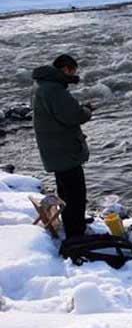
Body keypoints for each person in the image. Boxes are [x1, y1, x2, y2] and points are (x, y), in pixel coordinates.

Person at [32, 54, 93, 239]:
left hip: (54, 148)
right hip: (65, 150)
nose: (74, 75)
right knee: (76, 194)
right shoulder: (54, 89)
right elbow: (73, 116)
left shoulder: (41, 86)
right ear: (66, 69)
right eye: (73, 71)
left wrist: (77, 108)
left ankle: (73, 222)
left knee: (65, 190)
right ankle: (77, 233)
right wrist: (87, 111)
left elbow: (61, 112)